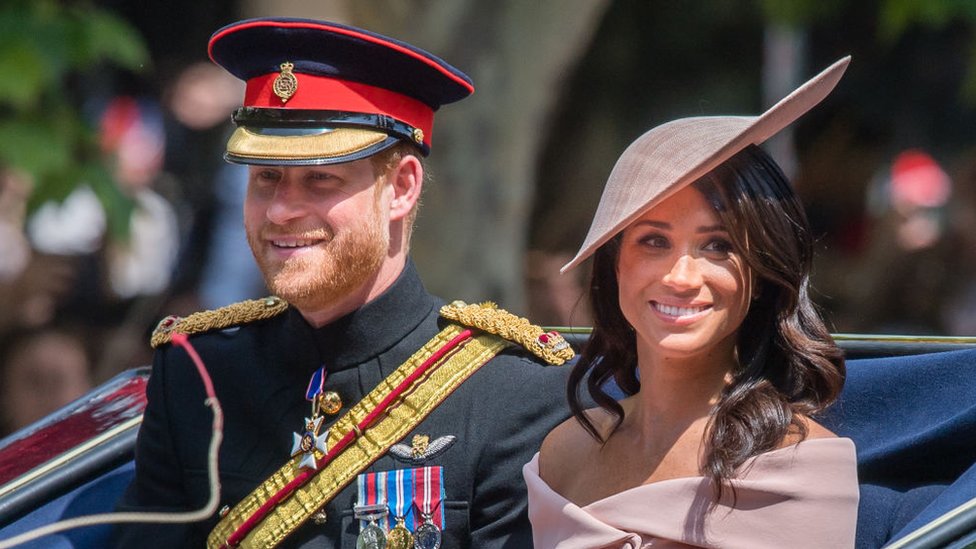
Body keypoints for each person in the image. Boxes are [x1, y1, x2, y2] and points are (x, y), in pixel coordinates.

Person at [112, 17, 575, 548]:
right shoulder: (197, 374)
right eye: (266, 177)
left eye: (320, 178)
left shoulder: (513, 394)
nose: (280, 211)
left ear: (401, 187)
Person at [524, 57, 859, 548]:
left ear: (762, 273)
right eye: (654, 241)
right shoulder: (561, 454)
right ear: (615, 265)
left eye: (719, 246)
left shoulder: (801, 468)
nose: (680, 277)